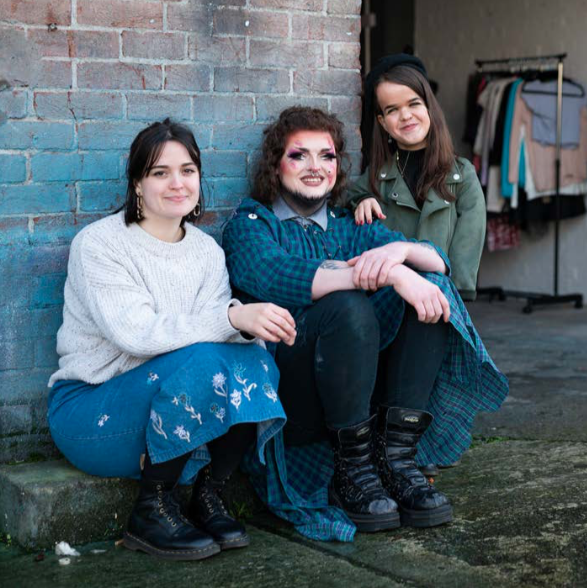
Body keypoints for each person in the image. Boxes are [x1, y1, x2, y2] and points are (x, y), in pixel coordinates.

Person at [222, 107, 507, 540]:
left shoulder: (346, 226)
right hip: (293, 401)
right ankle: (350, 472)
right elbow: (275, 275)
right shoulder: (250, 224)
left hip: (354, 396)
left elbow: (438, 261)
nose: (316, 168)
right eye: (300, 155)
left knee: (428, 287)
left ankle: (396, 460)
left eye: (328, 156)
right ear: (275, 164)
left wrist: (400, 259)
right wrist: (388, 274)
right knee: (349, 306)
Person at [47, 120, 291, 561]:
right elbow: (136, 334)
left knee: (255, 356)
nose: (177, 183)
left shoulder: (206, 252)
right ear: (137, 183)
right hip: (93, 408)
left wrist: (239, 326)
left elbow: (220, 342)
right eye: (160, 173)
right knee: (207, 358)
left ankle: (207, 491)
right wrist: (233, 316)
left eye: (188, 170)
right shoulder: (100, 245)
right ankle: (152, 508)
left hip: (175, 400)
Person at [349, 53, 486, 302]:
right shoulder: (376, 175)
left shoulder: (462, 174)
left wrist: (457, 297)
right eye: (392, 110)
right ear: (382, 122)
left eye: (413, 104)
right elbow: (345, 202)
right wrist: (362, 200)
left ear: (429, 107)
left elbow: (468, 244)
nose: (405, 115)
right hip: (390, 302)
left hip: (444, 300)